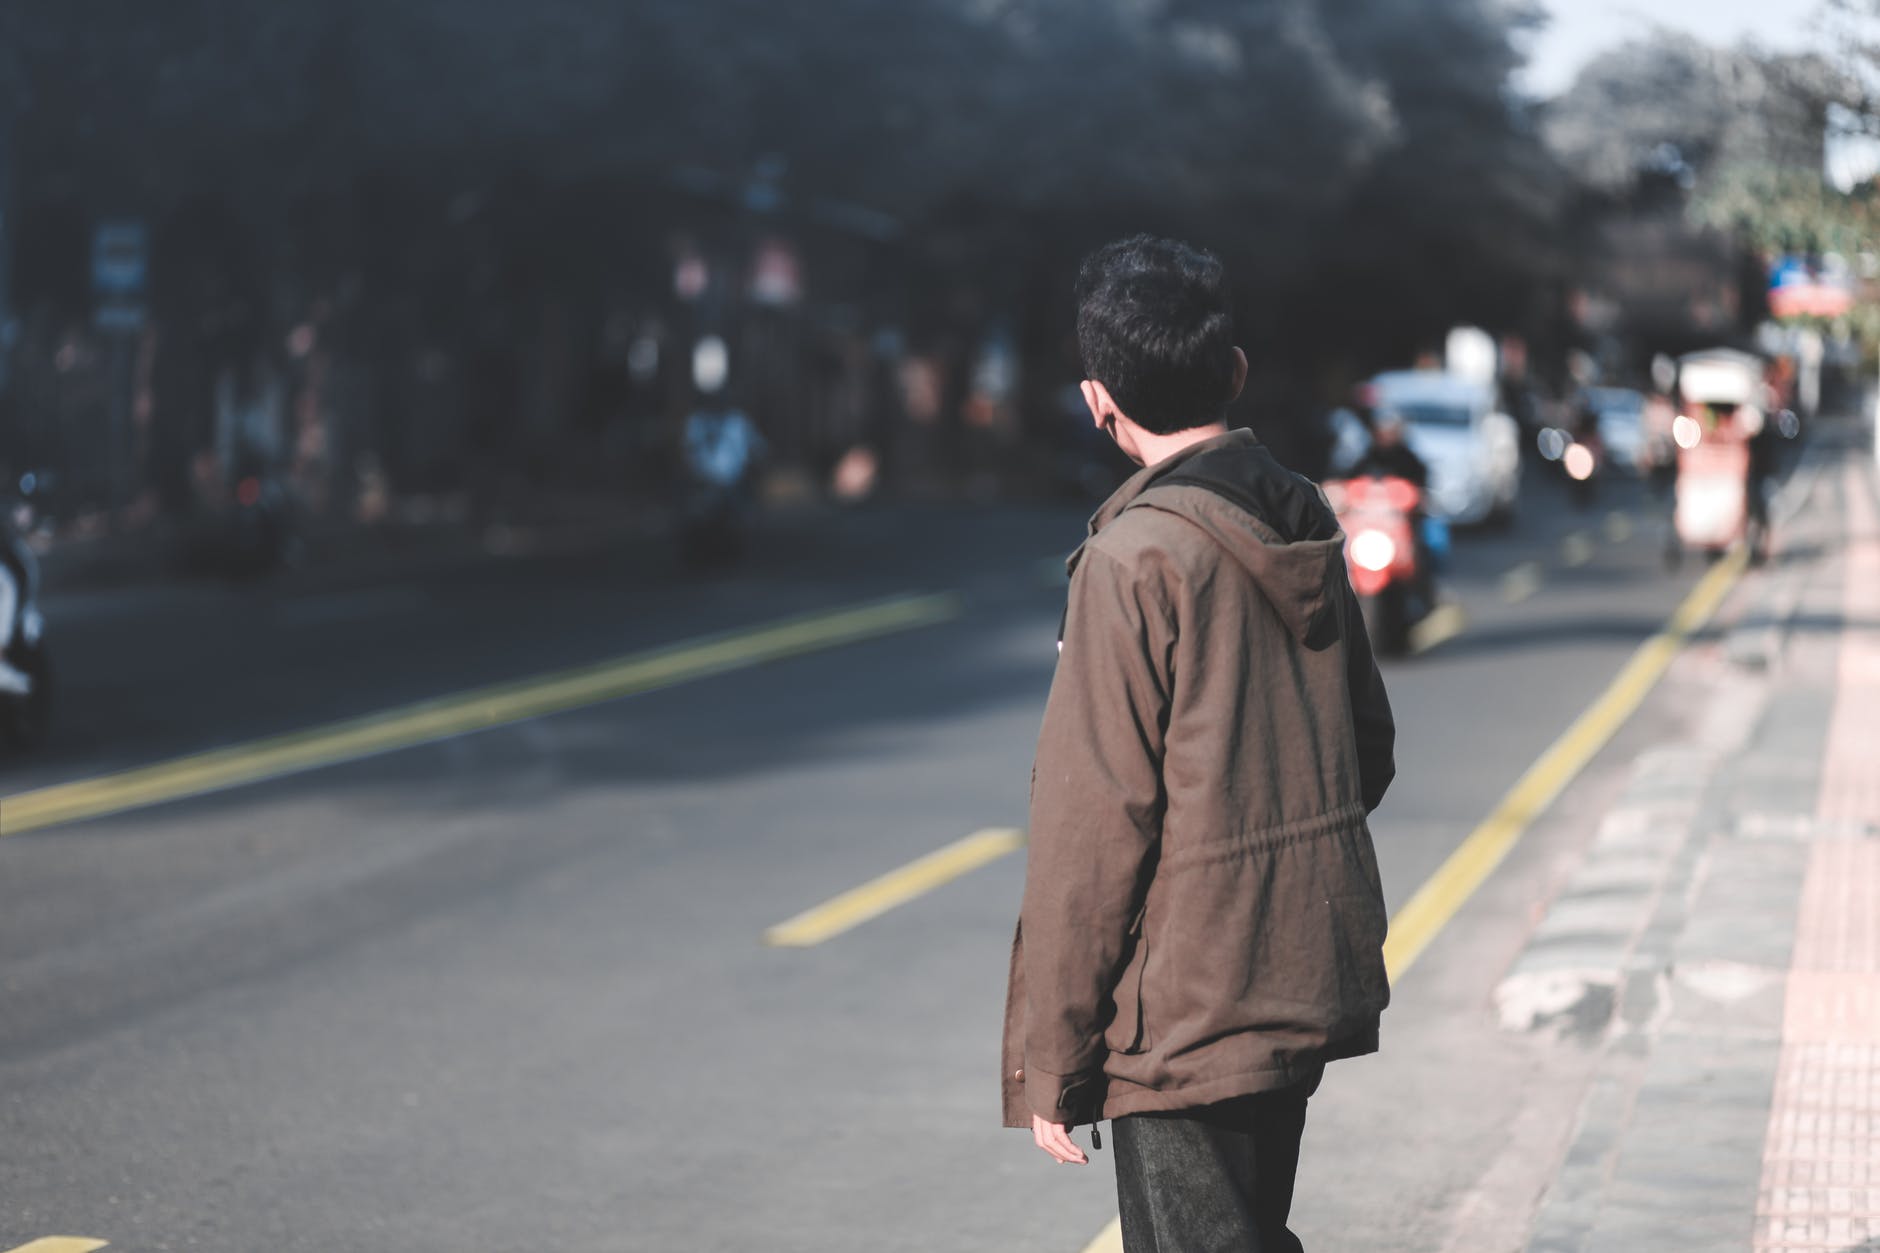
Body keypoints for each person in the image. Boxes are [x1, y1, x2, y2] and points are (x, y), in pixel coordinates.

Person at [1001, 236, 1396, 1252]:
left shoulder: (1133, 557)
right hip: (1298, 967)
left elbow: (1094, 827)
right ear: (1234, 371)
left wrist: (1051, 1055)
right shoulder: (1298, 511)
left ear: (1097, 401)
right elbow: (1366, 750)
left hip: (1183, 1013)